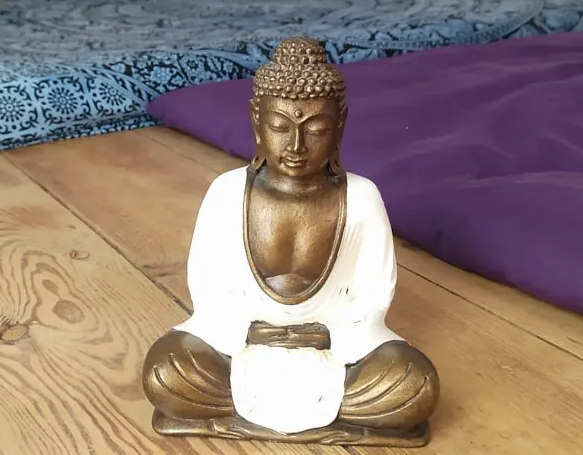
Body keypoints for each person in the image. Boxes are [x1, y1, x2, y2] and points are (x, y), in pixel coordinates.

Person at [142, 37, 440, 447]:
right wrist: (249, 331)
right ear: (256, 121)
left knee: (414, 385)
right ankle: (334, 420)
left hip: (337, 343)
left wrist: (329, 334)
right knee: (166, 373)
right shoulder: (228, 192)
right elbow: (207, 287)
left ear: (341, 125)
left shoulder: (361, 197)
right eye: (280, 127)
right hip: (240, 340)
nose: (296, 147)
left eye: (315, 129)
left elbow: (374, 294)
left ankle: (236, 417)